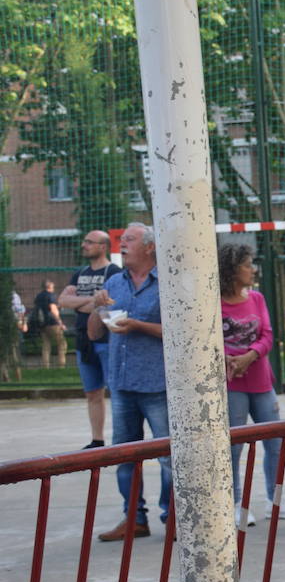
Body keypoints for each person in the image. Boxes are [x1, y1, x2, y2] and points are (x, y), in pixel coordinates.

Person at [89, 223, 172, 541]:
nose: (121, 244)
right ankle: (134, 519)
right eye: (120, 240)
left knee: (167, 457)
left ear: (150, 247)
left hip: (156, 385)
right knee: (124, 456)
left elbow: (178, 330)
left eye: (129, 240)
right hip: (122, 385)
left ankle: (172, 516)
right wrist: (98, 309)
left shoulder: (166, 283)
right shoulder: (113, 283)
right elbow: (95, 334)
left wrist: (137, 324)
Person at [219, 243, 285, 526]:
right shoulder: (214, 302)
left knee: (275, 442)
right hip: (232, 385)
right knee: (234, 447)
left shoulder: (256, 298)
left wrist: (249, 356)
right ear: (231, 270)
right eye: (246, 264)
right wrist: (231, 360)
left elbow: (267, 334)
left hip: (261, 381)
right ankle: (235, 504)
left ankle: (276, 501)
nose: (252, 269)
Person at [58, 231, 122, 448]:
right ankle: (97, 440)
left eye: (89, 242)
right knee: (92, 392)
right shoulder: (80, 273)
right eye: (84, 241)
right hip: (83, 340)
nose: (84, 245)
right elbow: (63, 301)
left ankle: (120, 439)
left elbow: (111, 303)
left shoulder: (114, 272)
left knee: (115, 391)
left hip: (106, 340)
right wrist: (94, 300)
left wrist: (76, 300)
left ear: (103, 246)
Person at [32, 280, 65, 368]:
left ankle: (45, 366)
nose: (53, 289)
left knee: (46, 345)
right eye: (53, 287)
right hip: (53, 323)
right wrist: (60, 322)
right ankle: (61, 365)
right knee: (62, 344)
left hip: (42, 323)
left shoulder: (38, 296)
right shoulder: (51, 296)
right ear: (49, 287)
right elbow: (53, 309)